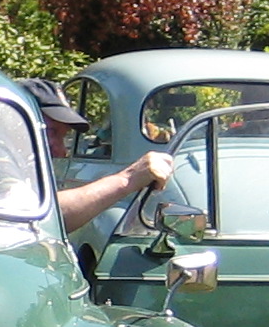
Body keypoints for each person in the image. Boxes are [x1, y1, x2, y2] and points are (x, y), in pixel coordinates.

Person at [21, 78, 164, 235]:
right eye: (50, 132)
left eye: (64, 136)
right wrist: (127, 179)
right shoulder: (1, 167)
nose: (61, 152)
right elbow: (43, 217)